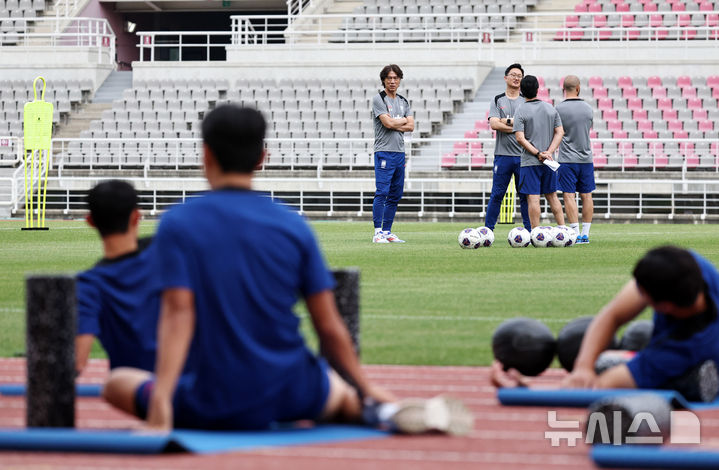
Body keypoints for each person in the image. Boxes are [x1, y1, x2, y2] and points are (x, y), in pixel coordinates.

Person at [101, 105, 472, 435]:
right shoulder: (292, 225)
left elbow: (177, 313)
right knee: (339, 394)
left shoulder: (178, 224)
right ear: (262, 157)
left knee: (117, 382)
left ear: (206, 155)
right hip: (292, 387)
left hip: (215, 396)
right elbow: (328, 326)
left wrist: (161, 402)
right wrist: (366, 385)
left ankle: (176, 403)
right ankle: (382, 409)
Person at [492, 246, 719, 391]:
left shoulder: (682, 350)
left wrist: (525, 388)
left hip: (691, 360)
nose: (636, 295)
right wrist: (582, 367)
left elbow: (598, 388)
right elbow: (613, 314)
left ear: (665, 306)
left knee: (613, 370)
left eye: (643, 295)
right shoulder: (694, 269)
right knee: (608, 360)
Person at [75, 180, 159, 375]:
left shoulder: (88, 286)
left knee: (113, 386)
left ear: (90, 221)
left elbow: (77, 361)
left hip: (140, 386)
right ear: (136, 216)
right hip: (197, 377)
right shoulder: (169, 252)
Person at [513, 75, 566, 229]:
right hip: (549, 162)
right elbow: (560, 132)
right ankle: (563, 229)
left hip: (530, 162)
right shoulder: (550, 108)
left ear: (521, 91)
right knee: (553, 196)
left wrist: (538, 154)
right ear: (537, 89)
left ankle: (536, 233)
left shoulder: (521, 110)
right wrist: (548, 152)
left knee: (533, 198)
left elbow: (520, 138)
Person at [485, 63, 531, 232]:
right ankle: (488, 230)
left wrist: (506, 121)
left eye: (519, 75)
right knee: (497, 194)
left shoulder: (526, 100)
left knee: (525, 196)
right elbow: (494, 124)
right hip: (502, 155)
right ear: (506, 78)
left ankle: (530, 231)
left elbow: (529, 127)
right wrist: (516, 125)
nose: (516, 78)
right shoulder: (498, 99)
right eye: (513, 74)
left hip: (523, 156)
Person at [371, 64, 414, 244]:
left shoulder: (403, 101)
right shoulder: (378, 99)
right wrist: (400, 121)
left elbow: (411, 126)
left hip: (399, 153)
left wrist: (396, 121)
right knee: (382, 192)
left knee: (396, 194)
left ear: (399, 80)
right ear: (384, 80)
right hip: (384, 152)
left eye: (395, 78)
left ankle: (387, 231)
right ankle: (377, 232)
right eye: (389, 78)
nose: (392, 81)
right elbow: (387, 124)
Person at [556, 76, 595, 244]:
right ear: (578, 88)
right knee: (587, 195)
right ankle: (585, 234)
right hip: (586, 158)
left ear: (563, 88)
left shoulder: (558, 109)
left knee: (568, 195)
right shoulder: (588, 108)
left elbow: (556, 132)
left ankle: (574, 232)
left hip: (566, 159)